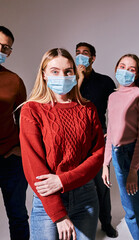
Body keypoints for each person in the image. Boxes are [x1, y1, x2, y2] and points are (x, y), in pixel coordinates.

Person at [19, 48, 105, 240]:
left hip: (86, 197)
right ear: (44, 75)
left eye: (68, 71)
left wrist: (62, 180)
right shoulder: (31, 110)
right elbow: (34, 167)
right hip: (48, 199)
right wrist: (58, 214)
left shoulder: (87, 109)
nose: (62, 76)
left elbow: (98, 155)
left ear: (75, 74)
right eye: (55, 71)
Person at [102, 54, 139, 240]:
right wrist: (105, 163)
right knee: (130, 213)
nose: (126, 71)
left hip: (136, 157)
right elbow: (111, 130)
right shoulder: (112, 96)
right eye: (122, 66)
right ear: (116, 69)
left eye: (132, 69)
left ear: (137, 75)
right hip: (118, 157)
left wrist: (134, 170)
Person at [75, 42, 118, 238]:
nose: (80, 56)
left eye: (85, 53)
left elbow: (116, 108)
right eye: (78, 53)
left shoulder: (105, 81)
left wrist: (112, 131)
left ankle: (106, 222)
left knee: (102, 183)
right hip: (75, 139)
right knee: (78, 183)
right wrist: (80, 78)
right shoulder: (71, 80)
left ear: (93, 58)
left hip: (99, 136)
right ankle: (80, 224)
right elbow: (68, 102)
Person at [0, 25, 29, 240]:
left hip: (9, 159)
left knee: (18, 215)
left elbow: (24, 120)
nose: (2, 51)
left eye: (6, 48)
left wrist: (20, 147)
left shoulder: (14, 81)